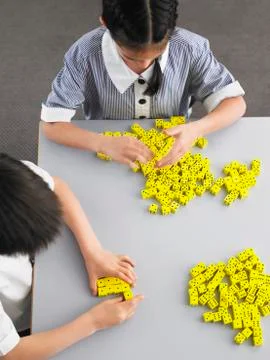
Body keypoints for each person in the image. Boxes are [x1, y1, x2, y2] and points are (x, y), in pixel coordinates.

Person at [41, 0, 246, 168]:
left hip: (172, 148)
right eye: (132, 58)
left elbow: (235, 104)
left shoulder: (190, 49)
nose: (145, 65)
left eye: (156, 56)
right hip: (108, 153)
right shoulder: (85, 54)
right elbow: (51, 125)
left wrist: (196, 129)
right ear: (105, 23)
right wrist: (102, 143)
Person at [0, 153, 143, 359]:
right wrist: (93, 322)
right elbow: (13, 353)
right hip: (14, 328)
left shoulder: (10, 179)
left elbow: (57, 187)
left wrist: (93, 252)